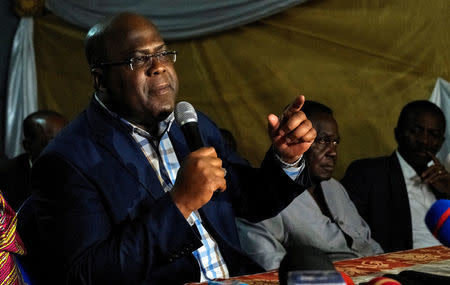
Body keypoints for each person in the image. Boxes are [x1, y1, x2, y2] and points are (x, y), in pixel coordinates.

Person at [28, 12, 316, 284]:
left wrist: (285, 158)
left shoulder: (193, 126)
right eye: (138, 60)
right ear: (100, 80)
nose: (159, 66)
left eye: (163, 53)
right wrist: (180, 204)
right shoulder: (67, 160)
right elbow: (85, 275)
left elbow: (249, 201)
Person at [237, 101, 383, 270]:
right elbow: (272, 266)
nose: (333, 152)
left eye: (335, 142)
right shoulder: (265, 196)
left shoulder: (334, 187)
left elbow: (367, 243)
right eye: (323, 141)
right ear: (292, 140)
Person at [341, 100, 450, 253]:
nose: (424, 141)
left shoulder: (442, 183)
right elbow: (349, 232)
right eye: (416, 131)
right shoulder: (368, 173)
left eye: (433, 134)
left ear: (441, 142)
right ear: (397, 133)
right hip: (402, 271)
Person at [0, 110, 67, 210]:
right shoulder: (6, 176)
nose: (62, 149)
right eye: (52, 143)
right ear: (27, 146)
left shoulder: (78, 170)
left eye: (66, 142)